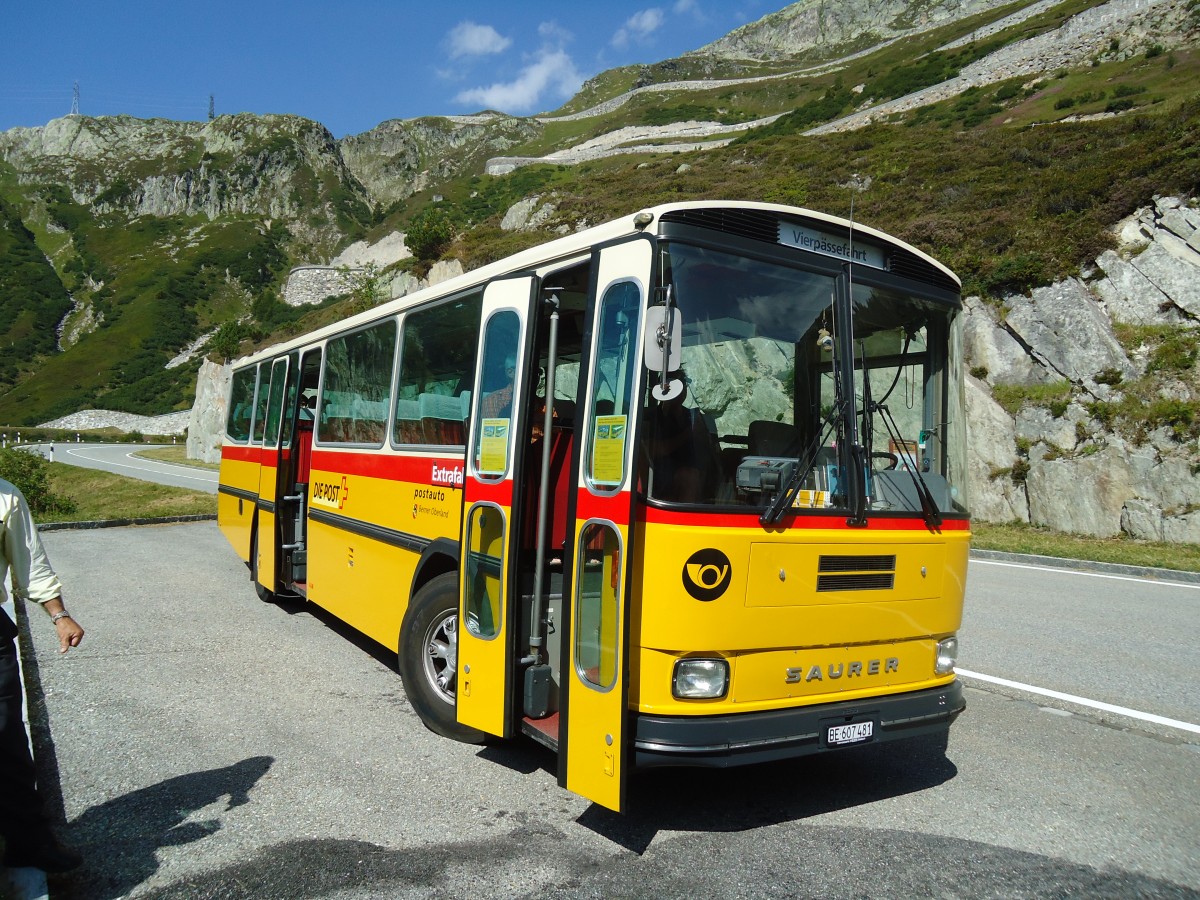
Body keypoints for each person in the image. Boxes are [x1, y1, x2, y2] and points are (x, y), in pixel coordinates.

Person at [0, 477, 85, 873]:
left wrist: (60, 616)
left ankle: (29, 844)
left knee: (9, 744)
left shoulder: (6, 496)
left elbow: (31, 564)